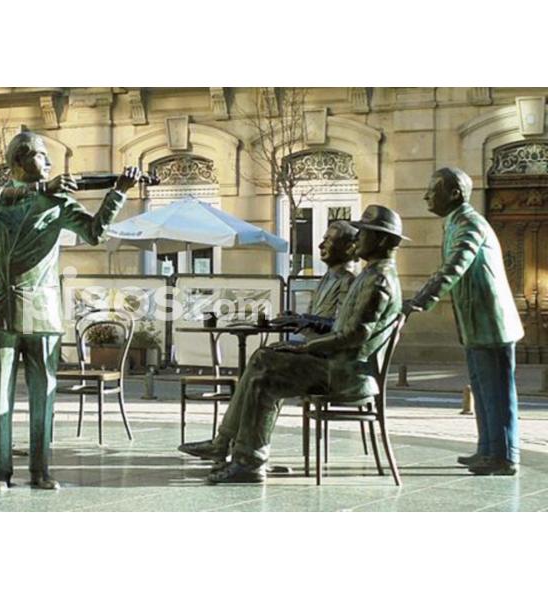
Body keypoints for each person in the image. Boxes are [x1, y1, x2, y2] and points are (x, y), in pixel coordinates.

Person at [0, 130, 141, 491]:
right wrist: (40, 189)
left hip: (40, 308)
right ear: (18, 160)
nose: (49, 162)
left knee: (44, 395)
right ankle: (1, 471)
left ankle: (40, 469)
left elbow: (94, 234)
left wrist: (118, 193)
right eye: (40, 155)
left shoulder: (59, 202)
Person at [205, 206, 404, 483]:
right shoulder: (372, 275)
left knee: (265, 374)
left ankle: (247, 461)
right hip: (341, 366)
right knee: (265, 359)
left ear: (381, 239)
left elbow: (354, 335)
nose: (357, 238)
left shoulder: (378, 280)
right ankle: (234, 449)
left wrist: (305, 348)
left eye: (364, 233)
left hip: (345, 374)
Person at [179, 220, 358, 462]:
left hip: (326, 359)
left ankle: (233, 447)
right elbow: (321, 320)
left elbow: (339, 326)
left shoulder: (349, 281)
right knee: (262, 357)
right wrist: (297, 319)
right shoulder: (328, 278)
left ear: (348, 247)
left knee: (264, 364)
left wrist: (304, 320)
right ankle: (226, 442)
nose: (320, 245)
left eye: (329, 240)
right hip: (315, 352)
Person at [404, 168, 524, 476]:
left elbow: (454, 267)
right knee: (483, 392)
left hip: (491, 324)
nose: (426, 196)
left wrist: (420, 300)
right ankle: (488, 451)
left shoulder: (470, 223)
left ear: (455, 193)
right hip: (476, 324)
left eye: (433, 190)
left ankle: (505, 456)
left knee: (497, 393)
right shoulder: (455, 222)